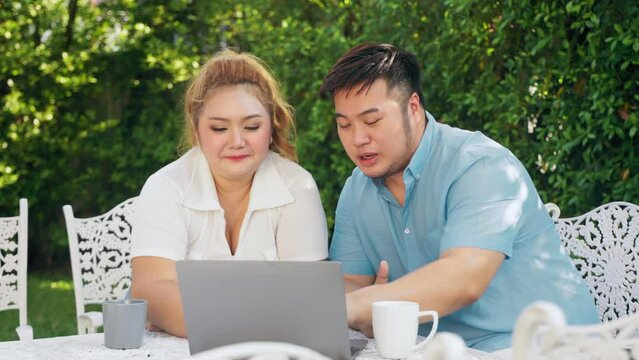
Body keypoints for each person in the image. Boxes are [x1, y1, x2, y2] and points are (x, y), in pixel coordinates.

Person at [320, 43, 599, 352]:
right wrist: (368, 305)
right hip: (435, 350)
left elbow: (462, 279)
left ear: (412, 108)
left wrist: (367, 303)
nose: (358, 138)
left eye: (372, 121)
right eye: (344, 125)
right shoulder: (356, 190)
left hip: (544, 346)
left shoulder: (481, 165)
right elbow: (351, 288)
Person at [130, 49, 328, 337]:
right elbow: (152, 290)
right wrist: (264, 320)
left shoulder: (298, 186)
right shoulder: (165, 187)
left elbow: (308, 297)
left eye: (252, 126)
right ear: (196, 130)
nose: (237, 141)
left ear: (271, 127)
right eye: (219, 128)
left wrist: (197, 315)